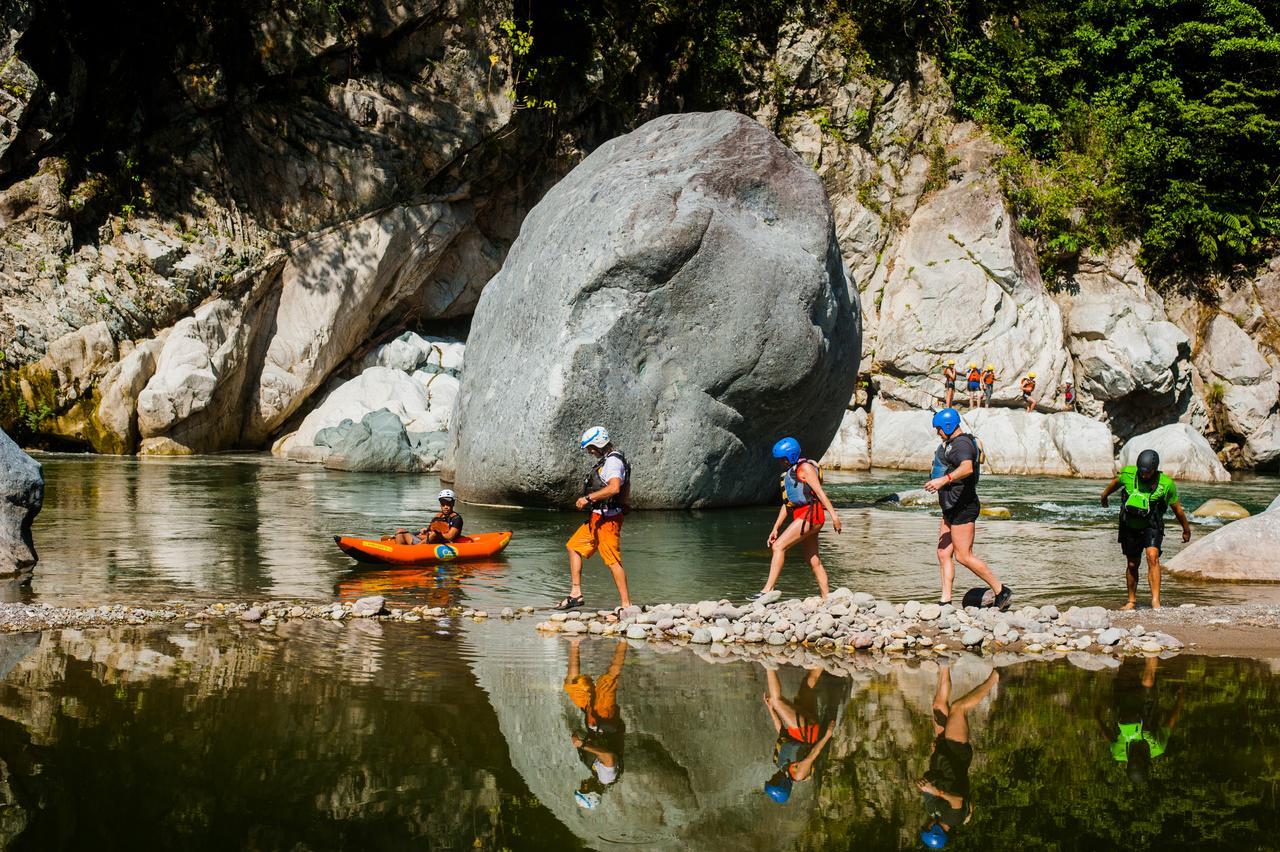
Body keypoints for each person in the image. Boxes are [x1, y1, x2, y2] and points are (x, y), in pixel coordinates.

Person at [924, 409, 1012, 609]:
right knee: (943, 552)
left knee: (964, 556)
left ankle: (1001, 591)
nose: (937, 432)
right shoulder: (951, 444)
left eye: (938, 428)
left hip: (964, 506)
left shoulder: (962, 444)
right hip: (951, 505)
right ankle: (945, 600)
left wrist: (943, 480)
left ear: (947, 426)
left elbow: (967, 468)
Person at [917, 664, 998, 849]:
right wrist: (936, 792)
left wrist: (934, 757)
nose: (924, 824)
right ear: (935, 830)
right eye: (926, 828)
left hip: (943, 754)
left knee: (938, 705)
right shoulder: (953, 819)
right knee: (958, 708)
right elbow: (957, 800)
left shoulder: (934, 812)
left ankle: (944, 664)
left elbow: (935, 782)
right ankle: (996, 678)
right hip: (956, 755)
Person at [752, 437, 843, 601]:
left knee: (779, 546)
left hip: (811, 514)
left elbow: (820, 493)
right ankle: (827, 598)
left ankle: (768, 589)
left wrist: (834, 516)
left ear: (791, 456)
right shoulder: (791, 472)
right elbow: (787, 504)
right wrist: (775, 527)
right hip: (804, 514)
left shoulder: (805, 468)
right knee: (813, 560)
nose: (781, 462)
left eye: (783, 459)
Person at [1100, 449, 1191, 610]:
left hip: (1152, 525)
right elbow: (1114, 483)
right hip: (1129, 526)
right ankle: (1131, 601)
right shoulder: (1128, 474)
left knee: (1152, 556)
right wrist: (1104, 496)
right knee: (1133, 564)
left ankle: (1155, 602)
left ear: (1155, 469)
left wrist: (1186, 529)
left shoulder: (1166, 484)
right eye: (1141, 472)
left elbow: (1177, 509)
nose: (1143, 475)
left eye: (1147, 473)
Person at [556, 426, 632, 612]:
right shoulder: (607, 459)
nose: (589, 451)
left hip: (608, 520)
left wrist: (588, 498)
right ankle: (576, 594)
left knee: (612, 560)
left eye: (590, 447)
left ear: (599, 443)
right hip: (597, 517)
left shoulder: (613, 462)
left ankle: (626, 605)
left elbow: (614, 488)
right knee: (573, 546)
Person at [1097, 656, 1185, 785]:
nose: (1136, 756)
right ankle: (1151, 651)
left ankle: (1139, 644)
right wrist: (1180, 700)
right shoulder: (1157, 747)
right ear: (1146, 762)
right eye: (1139, 759)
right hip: (1146, 702)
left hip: (1123, 699)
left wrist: (1097, 718)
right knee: (1148, 681)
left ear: (1128, 763)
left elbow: (1108, 736)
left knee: (1129, 662)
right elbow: (1169, 723)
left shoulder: (1119, 753)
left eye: (1133, 759)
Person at [565, 638, 627, 810]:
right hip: (605, 720)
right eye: (583, 789)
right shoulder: (606, 778)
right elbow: (608, 757)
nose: (582, 784)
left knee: (572, 684)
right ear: (591, 792)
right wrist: (583, 744)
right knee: (608, 680)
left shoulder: (596, 774)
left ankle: (574, 643)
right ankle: (624, 639)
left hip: (595, 722)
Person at [762, 666, 838, 804]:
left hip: (800, 728)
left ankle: (823, 656)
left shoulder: (781, 764)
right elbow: (813, 754)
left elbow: (782, 733)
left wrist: (771, 711)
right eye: (774, 781)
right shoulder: (798, 775)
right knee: (777, 701)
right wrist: (827, 735)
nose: (773, 777)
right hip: (806, 732)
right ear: (782, 785)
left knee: (808, 683)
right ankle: (768, 663)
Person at [388, 489, 463, 544]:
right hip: (428, 540)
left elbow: (450, 536)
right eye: (443, 504)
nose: (446, 507)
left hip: (439, 543)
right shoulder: (438, 516)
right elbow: (430, 530)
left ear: (453, 503)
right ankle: (400, 552)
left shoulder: (457, 519)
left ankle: (417, 549)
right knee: (400, 531)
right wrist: (425, 531)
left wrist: (436, 534)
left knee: (434, 534)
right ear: (440, 504)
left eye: (448, 504)